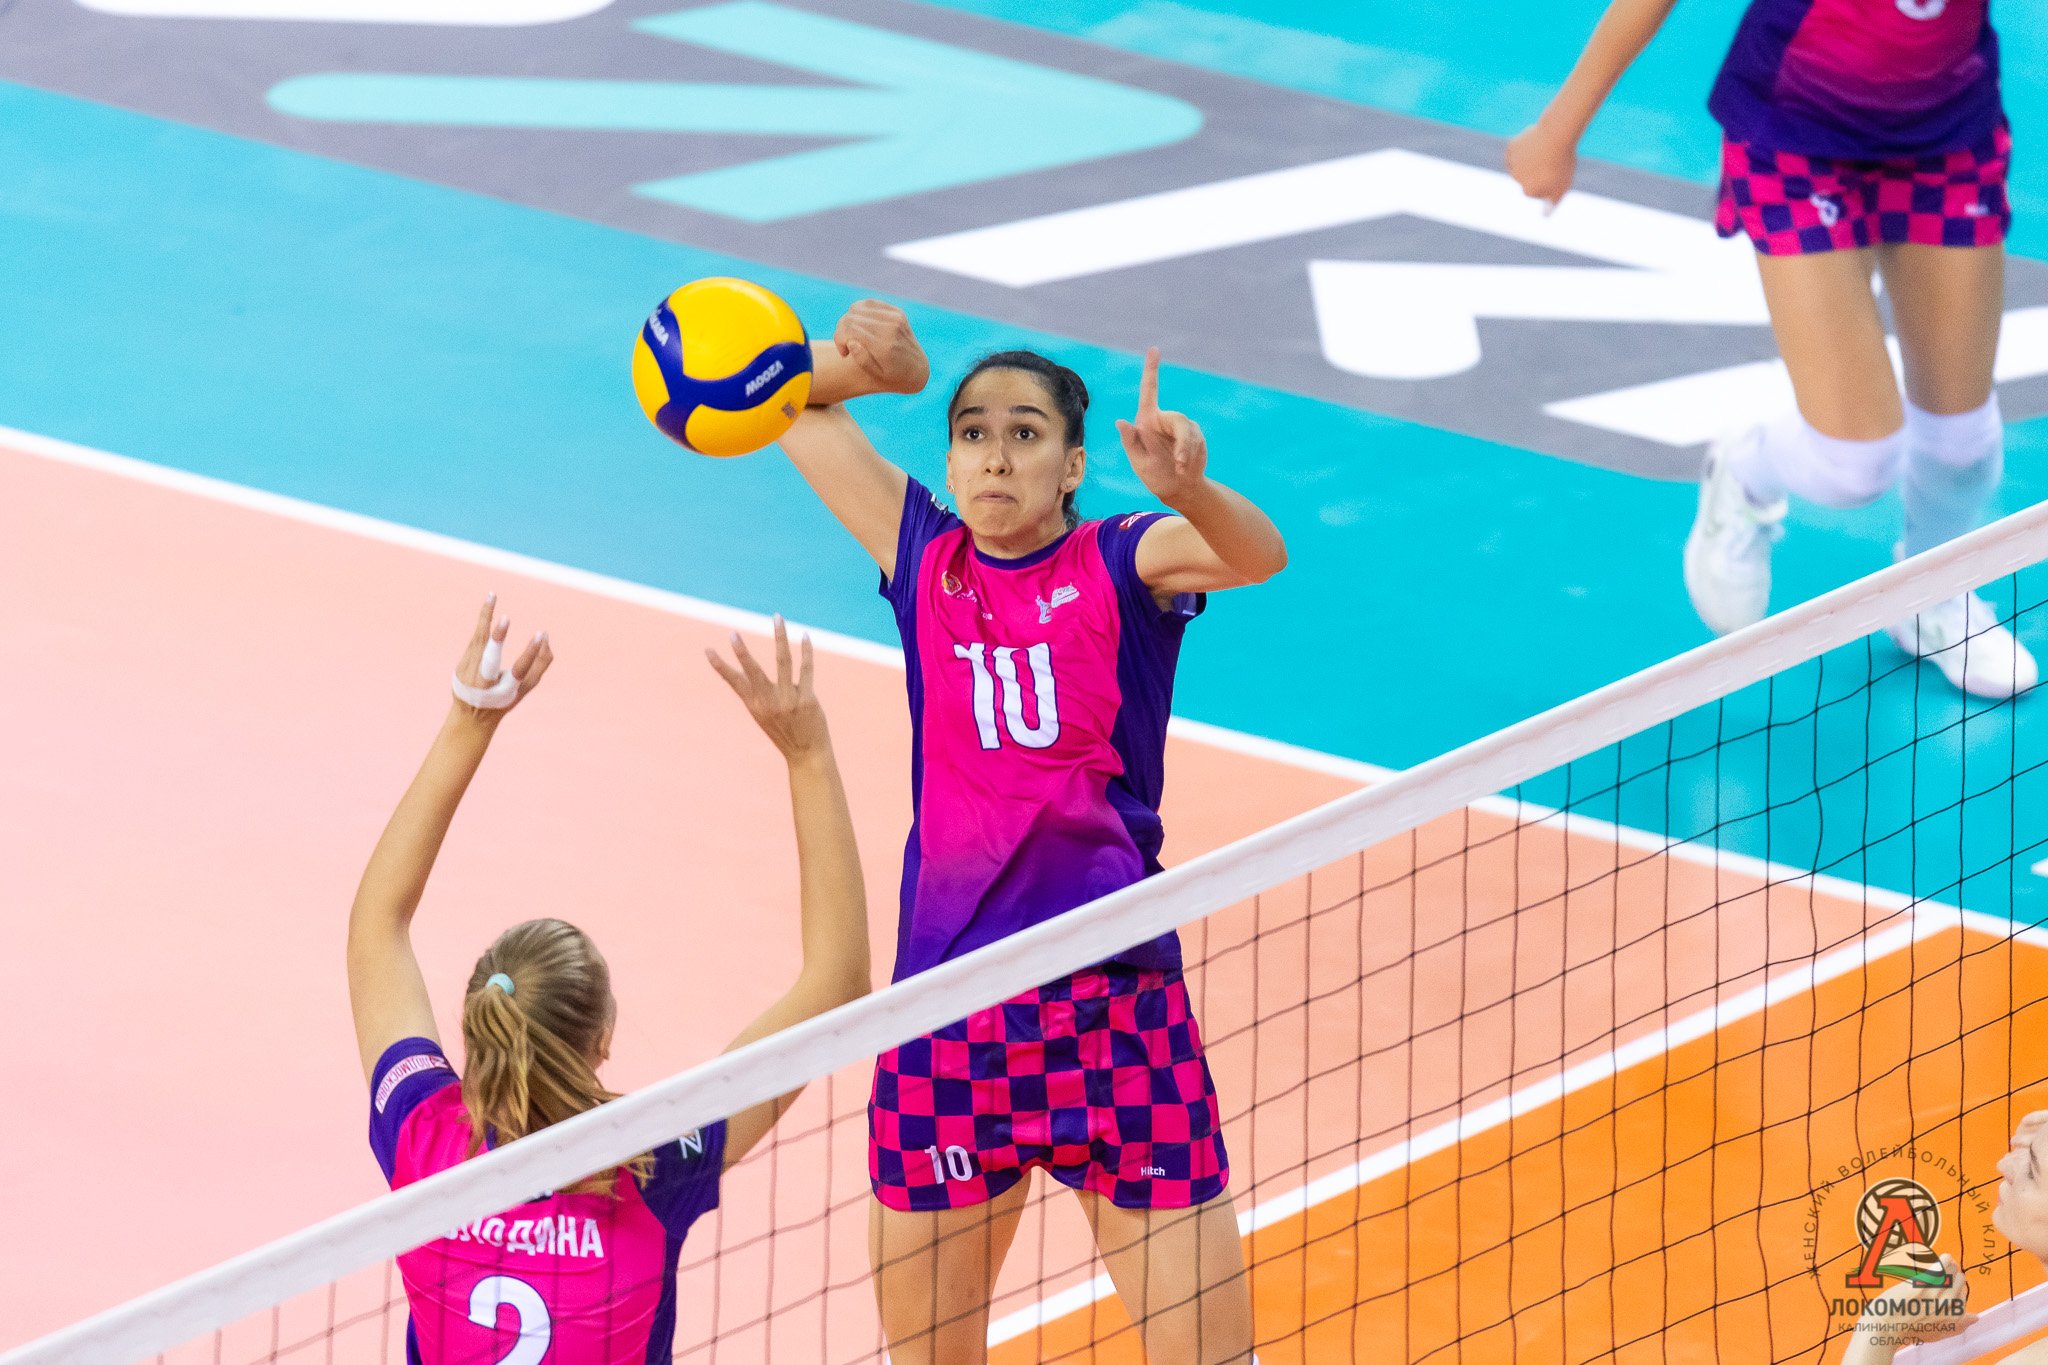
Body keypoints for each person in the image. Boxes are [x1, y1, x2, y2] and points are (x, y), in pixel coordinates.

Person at [778, 300, 1287, 1364]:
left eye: (1024, 433)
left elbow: (1256, 556)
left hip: (1117, 1014)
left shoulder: (1119, 561)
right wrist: (872, 373)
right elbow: (780, 401)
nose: (996, 457)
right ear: (950, 461)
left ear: (1071, 466)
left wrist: (1188, 489)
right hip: (951, 1018)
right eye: (972, 433)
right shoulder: (924, 558)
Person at [348, 598, 869, 1363]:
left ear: (482, 1022)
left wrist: (468, 722)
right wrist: (808, 755)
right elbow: (838, 980)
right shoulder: (652, 1164)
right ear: (604, 1037)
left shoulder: (422, 1137)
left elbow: (375, 925)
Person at [1508, 0, 2035, 698]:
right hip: (1797, 138)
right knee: (1855, 464)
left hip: (1947, 136)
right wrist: (1558, 130)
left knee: (1962, 444)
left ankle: (1933, 594)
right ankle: (1746, 470)